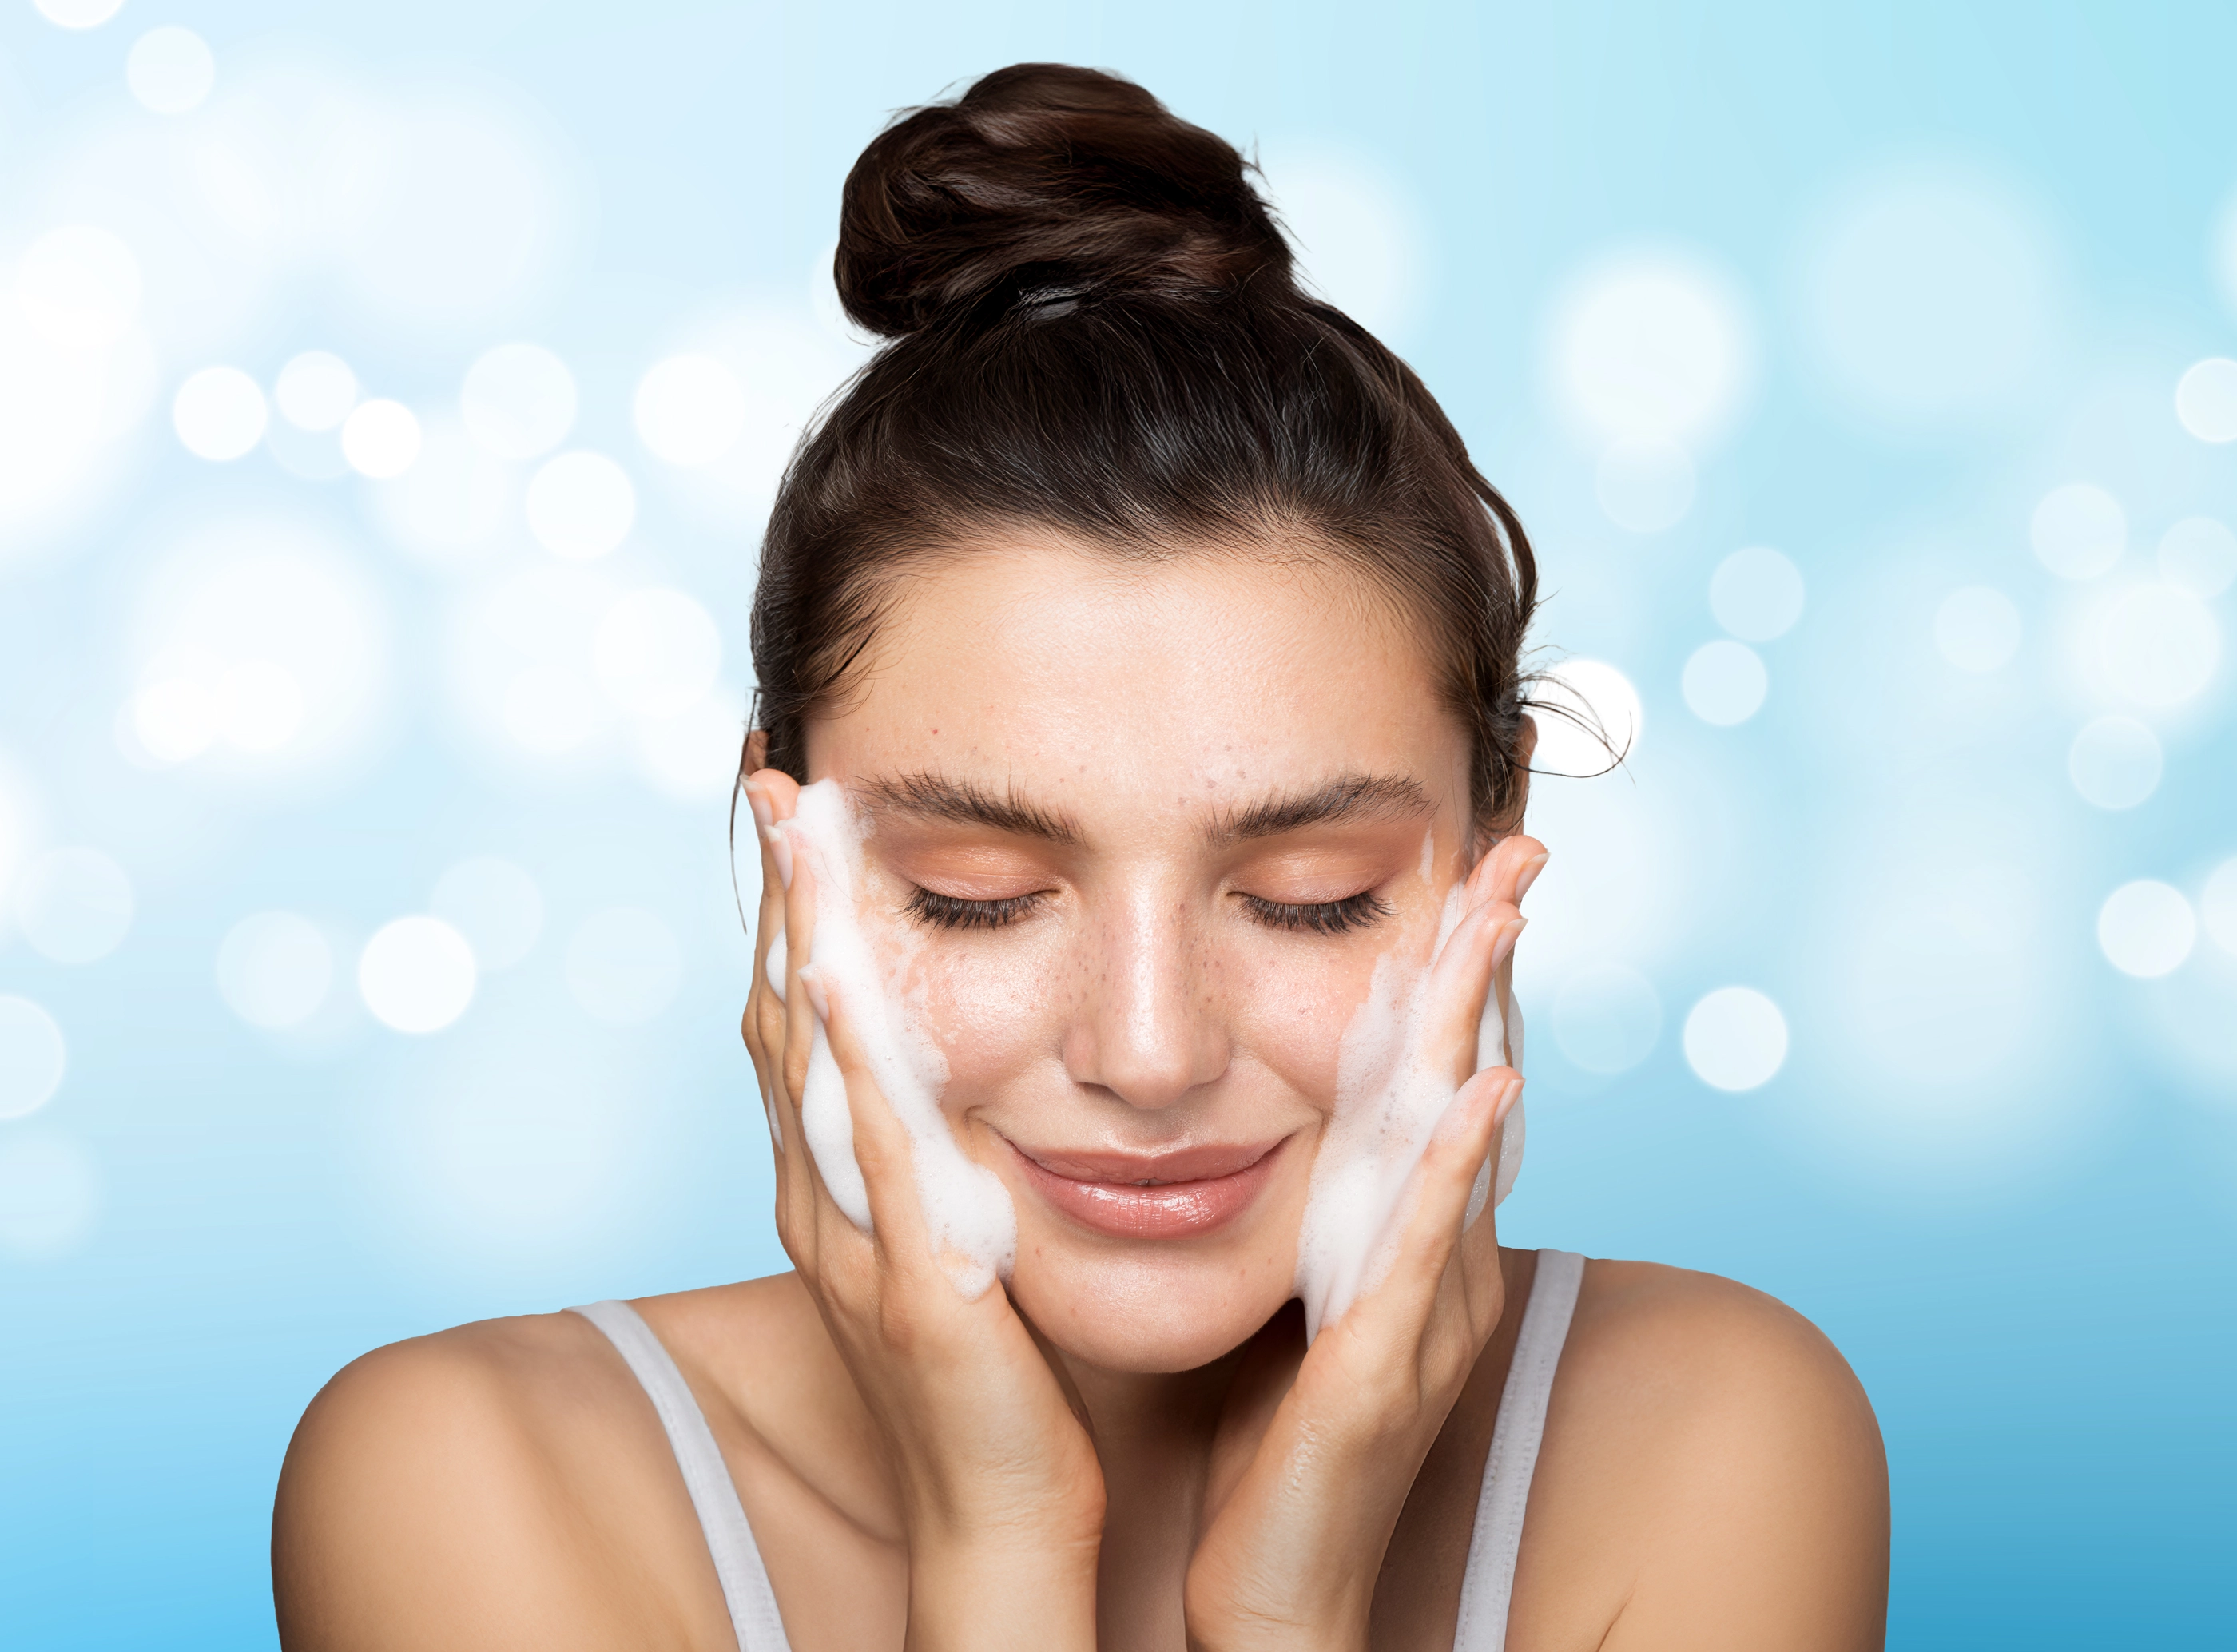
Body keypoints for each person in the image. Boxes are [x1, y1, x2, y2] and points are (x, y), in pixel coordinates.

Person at [272, 63, 1889, 1652]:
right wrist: (1001, 1545)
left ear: (1489, 850)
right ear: (789, 870)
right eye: (975, 897)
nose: (1147, 1048)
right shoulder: (476, 1481)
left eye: (1304, 894)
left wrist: (1286, 1609)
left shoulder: (1706, 1442)